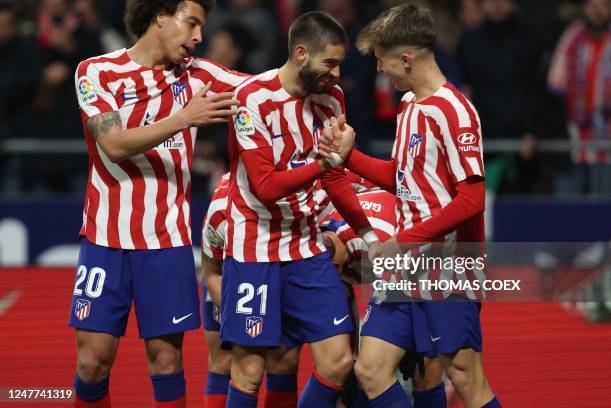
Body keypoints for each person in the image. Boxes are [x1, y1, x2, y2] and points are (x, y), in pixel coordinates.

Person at [68, 1, 248, 406]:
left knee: (166, 363)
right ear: (160, 15)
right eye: (192, 23)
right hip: (105, 240)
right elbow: (113, 145)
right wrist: (184, 119)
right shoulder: (96, 71)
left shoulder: (199, 75)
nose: (199, 36)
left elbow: (268, 87)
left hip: (166, 243)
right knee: (91, 365)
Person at [320, 4, 500, 408]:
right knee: (370, 370)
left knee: (465, 379)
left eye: (382, 61)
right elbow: (403, 179)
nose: (380, 71)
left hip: (448, 269)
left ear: (406, 59)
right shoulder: (408, 108)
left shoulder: (454, 111)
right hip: (406, 271)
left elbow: (472, 200)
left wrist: (402, 241)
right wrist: (350, 156)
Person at [222, 11, 380, 408]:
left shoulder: (332, 100)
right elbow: (265, 186)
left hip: (307, 245)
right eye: (329, 63)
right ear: (300, 53)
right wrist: (325, 163)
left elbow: (334, 179)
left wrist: (368, 234)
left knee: (339, 361)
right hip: (254, 247)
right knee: (250, 371)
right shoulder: (251, 99)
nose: (337, 74)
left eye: (340, 64)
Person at [321, 188, 448, 408]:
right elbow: (343, 301)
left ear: (337, 265)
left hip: (429, 261)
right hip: (400, 262)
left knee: (426, 372)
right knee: (366, 370)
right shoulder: (319, 245)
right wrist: (349, 357)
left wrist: (416, 342)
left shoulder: (367, 240)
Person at [200, 173, 301, 408]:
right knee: (224, 359)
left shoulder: (301, 199)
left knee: (283, 358)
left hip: (281, 260)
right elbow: (211, 270)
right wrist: (234, 320)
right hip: (228, 266)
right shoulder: (221, 212)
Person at [548, 0, 611, 196]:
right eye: (592, 5)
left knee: (605, 216)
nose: (597, 11)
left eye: (604, 5)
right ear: (584, 8)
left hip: (608, 145)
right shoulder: (571, 39)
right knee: (567, 214)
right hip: (572, 141)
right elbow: (555, 83)